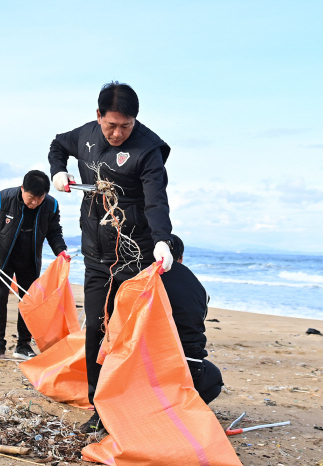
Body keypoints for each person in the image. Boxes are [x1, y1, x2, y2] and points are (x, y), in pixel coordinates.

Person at [47, 81, 174, 431]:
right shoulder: (86, 136)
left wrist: (162, 240)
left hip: (134, 256)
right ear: (98, 116)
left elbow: (155, 200)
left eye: (126, 126)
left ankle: (128, 399)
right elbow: (57, 145)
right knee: (97, 327)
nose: (118, 133)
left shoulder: (148, 150)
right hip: (95, 253)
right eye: (111, 125)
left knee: (126, 333)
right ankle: (98, 403)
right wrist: (58, 171)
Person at [0, 170, 68, 360]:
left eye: (39, 198)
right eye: (31, 198)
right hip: (2, 256)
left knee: (28, 300)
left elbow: (54, 231)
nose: (35, 202)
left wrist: (61, 250)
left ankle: (23, 345)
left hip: (30, 257)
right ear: (22, 189)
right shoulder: (2, 198)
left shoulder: (51, 205)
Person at [161, 235, 224, 405]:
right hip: (188, 367)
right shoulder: (198, 287)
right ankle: (182, 409)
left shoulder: (143, 276)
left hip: (145, 365)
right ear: (180, 259)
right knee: (214, 379)